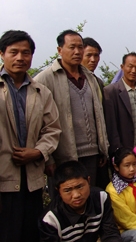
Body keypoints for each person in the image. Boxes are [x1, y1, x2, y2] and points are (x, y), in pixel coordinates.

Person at [0, 30, 61, 242]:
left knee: (30, 232)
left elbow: (52, 128)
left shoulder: (41, 92)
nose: (20, 58)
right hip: (3, 177)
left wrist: (38, 152)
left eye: (25, 53)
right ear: (2, 54)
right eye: (13, 52)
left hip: (32, 179)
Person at [35, 29, 109, 183]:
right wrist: (48, 159)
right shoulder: (45, 79)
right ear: (60, 50)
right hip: (64, 156)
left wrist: (103, 148)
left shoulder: (90, 78)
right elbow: (38, 122)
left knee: (91, 198)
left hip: (93, 154)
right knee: (68, 200)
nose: (77, 52)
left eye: (80, 47)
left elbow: (99, 116)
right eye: (72, 47)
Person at [39, 161, 122, 242]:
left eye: (79, 187)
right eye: (67, 190)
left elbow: (110, 234)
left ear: (88, 181)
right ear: (58, 191)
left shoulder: (101, 198)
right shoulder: (50, 219)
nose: (76, 195)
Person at [104, 52, 136, 154]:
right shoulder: (111, 91)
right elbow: (111, 125)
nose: (133, 71)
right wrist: (118, 150)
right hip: (122, 149)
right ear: (122, 67)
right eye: (130, 66)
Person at [82, 37, 110, 189]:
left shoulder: (97, 82)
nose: (93, 60)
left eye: (96, 55)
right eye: (89, 55)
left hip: (97, 149)